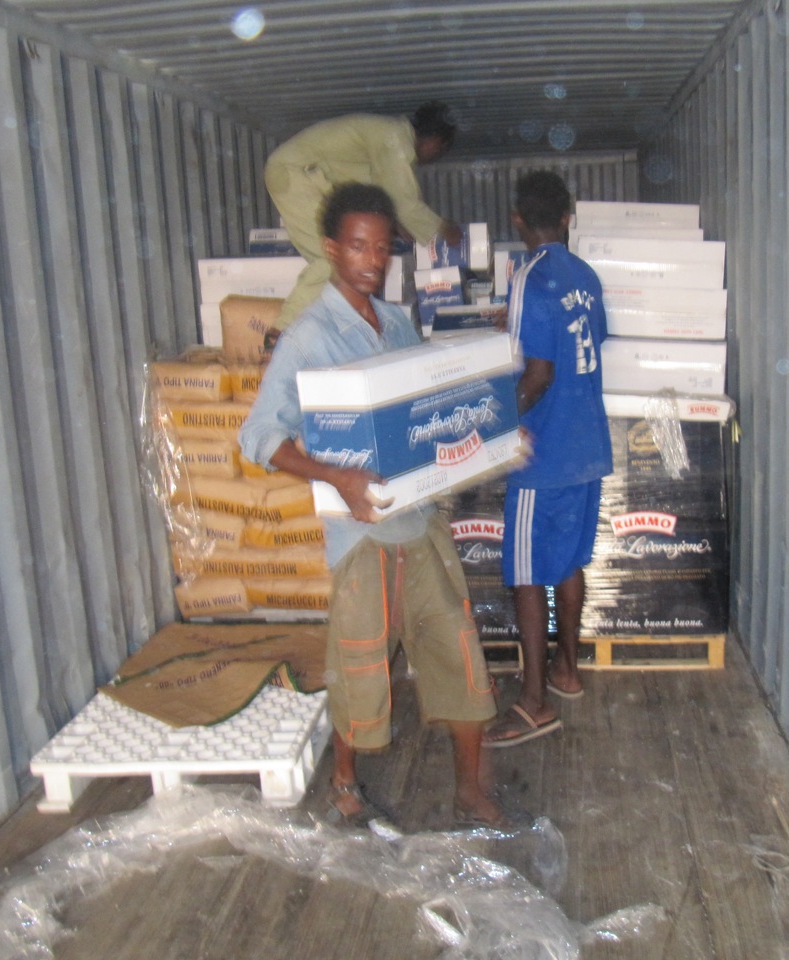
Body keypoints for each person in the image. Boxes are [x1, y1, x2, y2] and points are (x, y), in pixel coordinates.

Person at [239, 182, 507, 828]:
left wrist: (488, 439)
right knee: (360, 662)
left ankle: (470, 791)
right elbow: (259, 437)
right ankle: (344, 778)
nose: (372, 260)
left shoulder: (397, 323)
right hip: (361, 538)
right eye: (358, 246)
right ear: (332, 248)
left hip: (419, 525)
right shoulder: (309, 337)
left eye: (382, 248)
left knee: (459, 650)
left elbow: (424, 411)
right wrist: (338, 477)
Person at [483, 171, 612, 748]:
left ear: (517, 220)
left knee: (527, 573)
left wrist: (494, 425)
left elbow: (538, 375)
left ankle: (534, 703)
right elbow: (581, 339)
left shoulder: (527, 276)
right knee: (567, 563)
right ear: (567, 216)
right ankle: (567, 670)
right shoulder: (584, 275)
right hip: (588, 445)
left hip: (545, 453)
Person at [263, 101, 464, 341]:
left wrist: (394, 223)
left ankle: (320, 334)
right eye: (440, 151)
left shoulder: (390, 137)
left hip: (305, 177)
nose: (435, 157)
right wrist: (444, 230)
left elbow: (379, 194)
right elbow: (404, 202)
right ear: (436, 142)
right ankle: (280, 333)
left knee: (336, 265)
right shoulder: (395, 139)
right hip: (296, 174)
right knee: (334, 259)